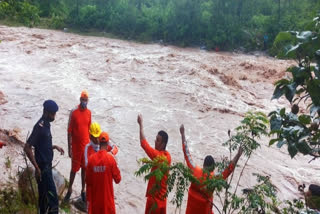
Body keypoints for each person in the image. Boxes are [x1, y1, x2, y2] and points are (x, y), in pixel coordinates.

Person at [179, 124, 243, 214]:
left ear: (203, 165)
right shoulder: (214, 179)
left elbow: (187, 154)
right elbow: (228, 170)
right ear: (213, 168)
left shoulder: (195, 170)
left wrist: (183, 134)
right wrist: (238, 155)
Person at [24, 100, 64, 214]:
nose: (54, 116)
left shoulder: (46, 125)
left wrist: (54, 147)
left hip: (47, 167)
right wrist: (37, 168)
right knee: (53, 200)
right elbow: (27, 147)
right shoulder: (39, 127)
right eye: (52, 113)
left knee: (43, 198)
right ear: (46, 112)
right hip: (43, 169)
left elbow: (42, 145)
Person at [137, 114, 171, 214]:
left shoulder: (158, 157)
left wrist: (140, 125)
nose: (155, 141)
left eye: (158, 140)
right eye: (156, 139)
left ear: (163, 144)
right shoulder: (168, 156)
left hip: (154, 200)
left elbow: (144, 144)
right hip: (163, 200)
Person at [64, 90, 92, 202]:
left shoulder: (89, 112)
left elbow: (89, 130)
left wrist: (91, 147)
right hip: (76, 148)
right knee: (73, 170)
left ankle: (83, 191)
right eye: (83, 100)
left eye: (86, 100)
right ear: (80, 100)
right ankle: (69, 190)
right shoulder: (74, 112)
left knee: (85, 170)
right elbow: (69, 131)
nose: (84, 102)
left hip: (86, 148)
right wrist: (69, 148)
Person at [86, 131, 121, 214]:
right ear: (108, 143)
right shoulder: (111, 159)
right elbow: (118, 179)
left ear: (99, 142)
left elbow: (88, 181)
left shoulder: (91, 159)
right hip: (108, 202)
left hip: (95, 202)